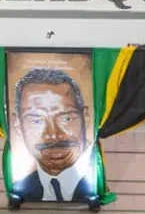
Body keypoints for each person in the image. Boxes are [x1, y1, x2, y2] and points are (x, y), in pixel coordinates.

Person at [9, 66, 97, 203]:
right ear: (17, 125)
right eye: (37, 121)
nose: (54, 135)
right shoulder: (20, 191)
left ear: (85, 118)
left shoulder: (99, 183)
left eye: (66, 119)